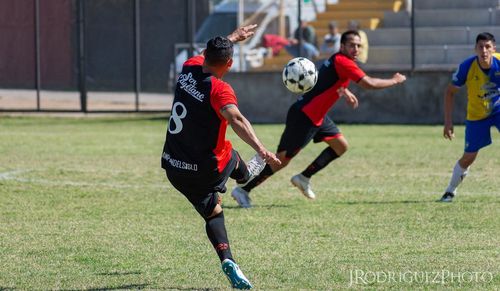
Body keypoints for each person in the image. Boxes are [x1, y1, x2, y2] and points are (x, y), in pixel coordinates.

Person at [161, 24, 280, 289]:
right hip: (207, 167)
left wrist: (232, 38)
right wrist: (261, 149)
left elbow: (208, 52)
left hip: (174, 165)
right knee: (238, 164)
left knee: (214, 212)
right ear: (229, 63)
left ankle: (228, 260)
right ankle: (249, 172)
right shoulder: (220, 89)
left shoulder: (188, 69)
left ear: (205, 56)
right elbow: (236, 119)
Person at [231, 30, 406, 208]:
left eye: (358, 45)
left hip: (317, 116)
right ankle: (244, 190)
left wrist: (344, 91)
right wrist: (394, 80)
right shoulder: (343, 61)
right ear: (342, 46)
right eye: (352, 44)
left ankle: (303, 177)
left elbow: (325, 82)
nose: (356, 48)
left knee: (340, 146)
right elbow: (369, 83)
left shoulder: (338, 60)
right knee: (281, 160)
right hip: (305, 116)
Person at [439, 32, 500, 202]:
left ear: (494, 49)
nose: (484, 50)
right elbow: (449, 92)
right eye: (480, 47)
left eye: (488, 47)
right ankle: (450, 191)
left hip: (498, 110)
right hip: (477, 115)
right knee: (469, 156)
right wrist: (448, 122)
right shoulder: (467, 66)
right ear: (475, 49)